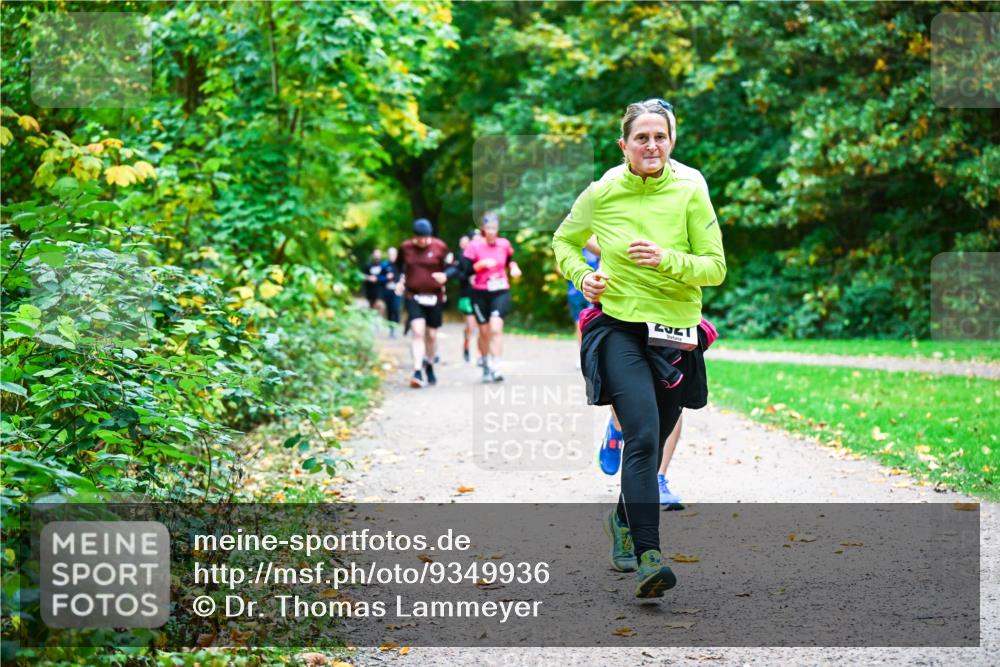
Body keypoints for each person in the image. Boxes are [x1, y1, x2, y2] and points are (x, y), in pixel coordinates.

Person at [552, 98, 725, 598]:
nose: (652, 145)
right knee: (644, 436)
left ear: (672, 141)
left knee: (665, 424)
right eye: (642, 137)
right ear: (624, 144)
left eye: (661, 137)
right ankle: (651, 556)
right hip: (619, 324)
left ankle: (623, 520)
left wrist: (667, 259)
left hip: (674, 330)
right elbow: (564, 241)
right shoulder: (603, 191)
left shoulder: (691, 186)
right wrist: (585, 276)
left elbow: (715, 268)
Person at [395, 219, 456, 388]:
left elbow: (453, 266)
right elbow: (397, 267)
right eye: (419, 238)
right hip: (413, 295)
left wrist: (446, 276)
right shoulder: (406, 248)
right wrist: (399, 280)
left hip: (434, 296)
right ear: (414, 237)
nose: (423, 241)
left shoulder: (440, 247)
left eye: (426, 238)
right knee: (417, 331)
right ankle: (416, 370)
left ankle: (429, 364)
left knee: (432, 335)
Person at [465, 211, 521, 382]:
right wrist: (479, 265)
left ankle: (496, 366)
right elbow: (465, 270)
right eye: (488, 228)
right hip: (480, 293)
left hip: (500, 291)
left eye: (494, 228)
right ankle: (485, 360)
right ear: (482, 228)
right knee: (484, 332)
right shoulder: (474, 246)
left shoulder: (504, 244)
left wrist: (513, 268)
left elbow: (510, 259)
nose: (491, 231)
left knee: (496, 329)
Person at [455, 233, 479, 362]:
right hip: (467, 295)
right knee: (470, 325)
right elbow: (457, 273)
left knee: (482, 326)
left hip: (482, 295)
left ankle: (482, 355)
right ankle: (466, 346)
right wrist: (468, 277)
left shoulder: (484, 255)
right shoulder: (463, 256)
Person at [382, 247, 401, 337]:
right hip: (387, 290)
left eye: (393, 254)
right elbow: (379, 278)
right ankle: (391, 329)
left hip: (398, 291)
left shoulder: (401, 265)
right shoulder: (384, 265)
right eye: (390, 254)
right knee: (389, 310)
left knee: (396, 308)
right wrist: (386, 277)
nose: (392, 256)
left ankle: (396, 327)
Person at [362, 249, 386, 317]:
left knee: (380, 305)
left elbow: (387, 277)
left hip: (380, 290)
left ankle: (379, 321)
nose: (377, 256)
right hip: (371, 290)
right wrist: (369, 278)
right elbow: (363, 276)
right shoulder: (368, 265)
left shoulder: (384, 266)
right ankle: (373, 323)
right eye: (375, 254)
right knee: (372, 307)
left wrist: (378, 279)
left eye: (378, 254)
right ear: (373, 255)